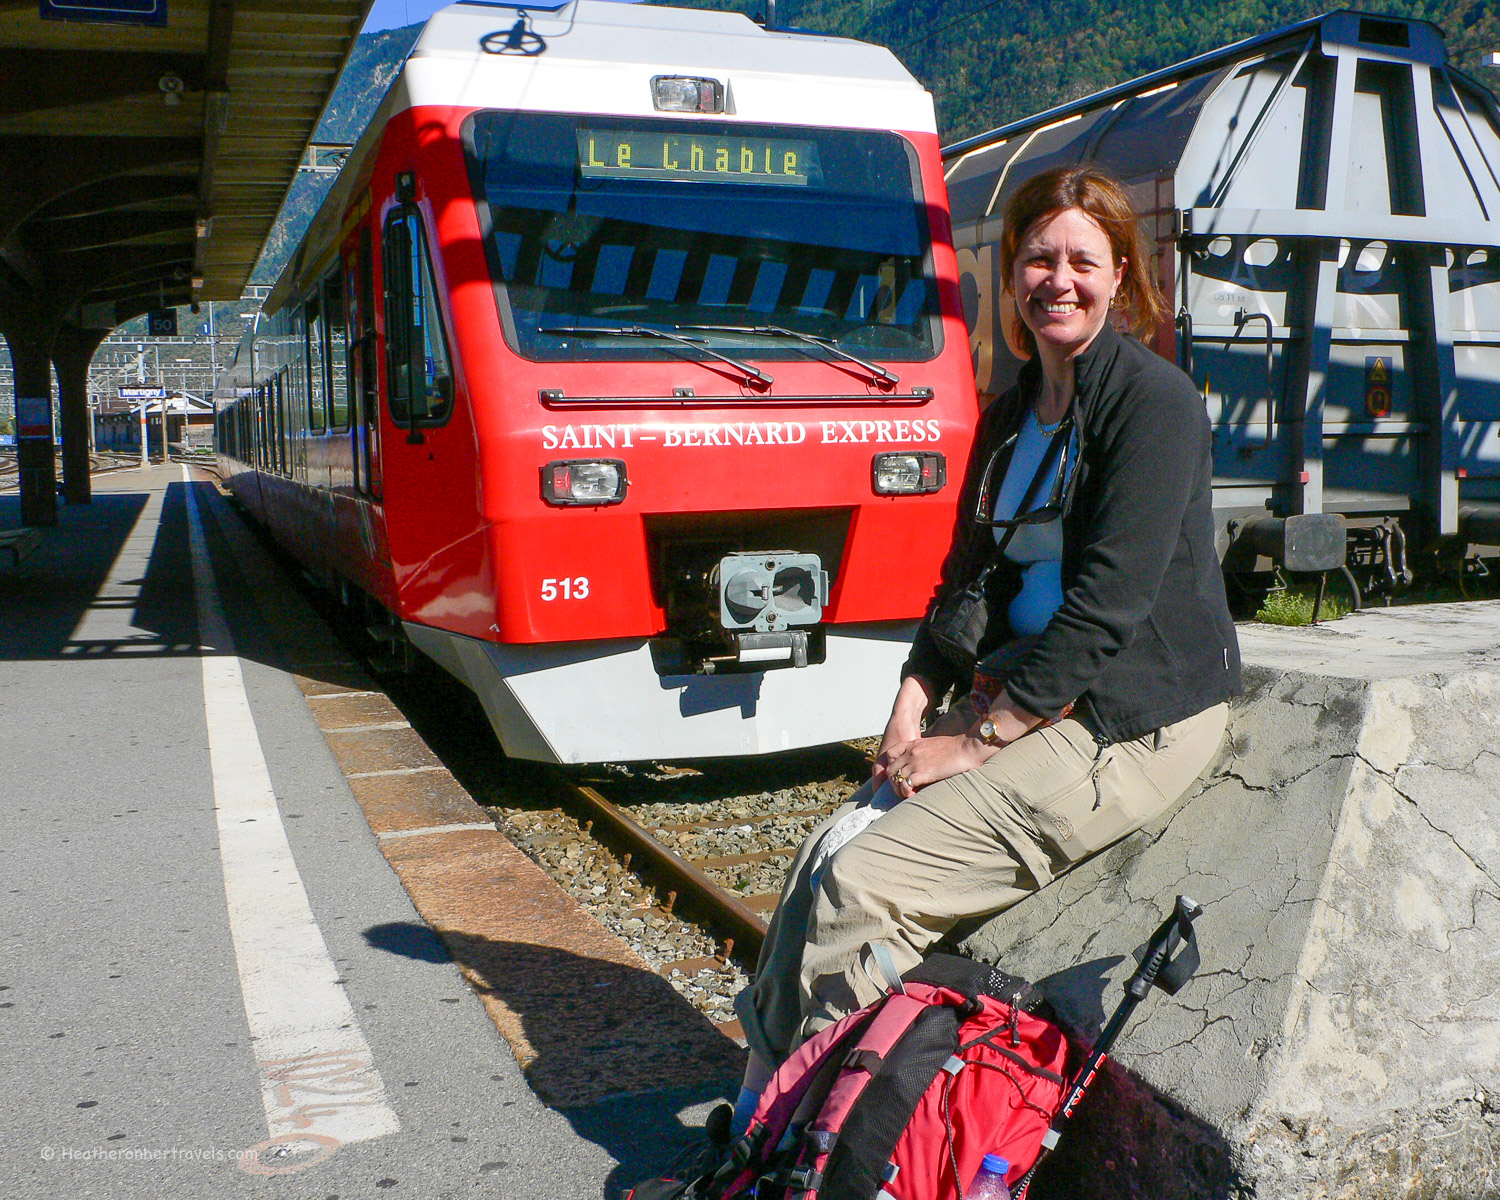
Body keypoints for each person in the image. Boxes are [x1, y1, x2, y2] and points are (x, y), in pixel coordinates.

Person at [728, 164, 1241, 1133]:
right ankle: (758, 1116)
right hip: (1034, 697)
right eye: (1038, 258)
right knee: (818, 859)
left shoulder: (1153, 404)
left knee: (863, 890)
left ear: (1121, 276)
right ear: (1010, 277)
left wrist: (972, 744)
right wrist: (914, 701)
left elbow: (1105, 613)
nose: (1060, 279)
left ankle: (834, 1146)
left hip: (1130, 717)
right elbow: (969, 584)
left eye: (1083, 262)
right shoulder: (1010, 418)